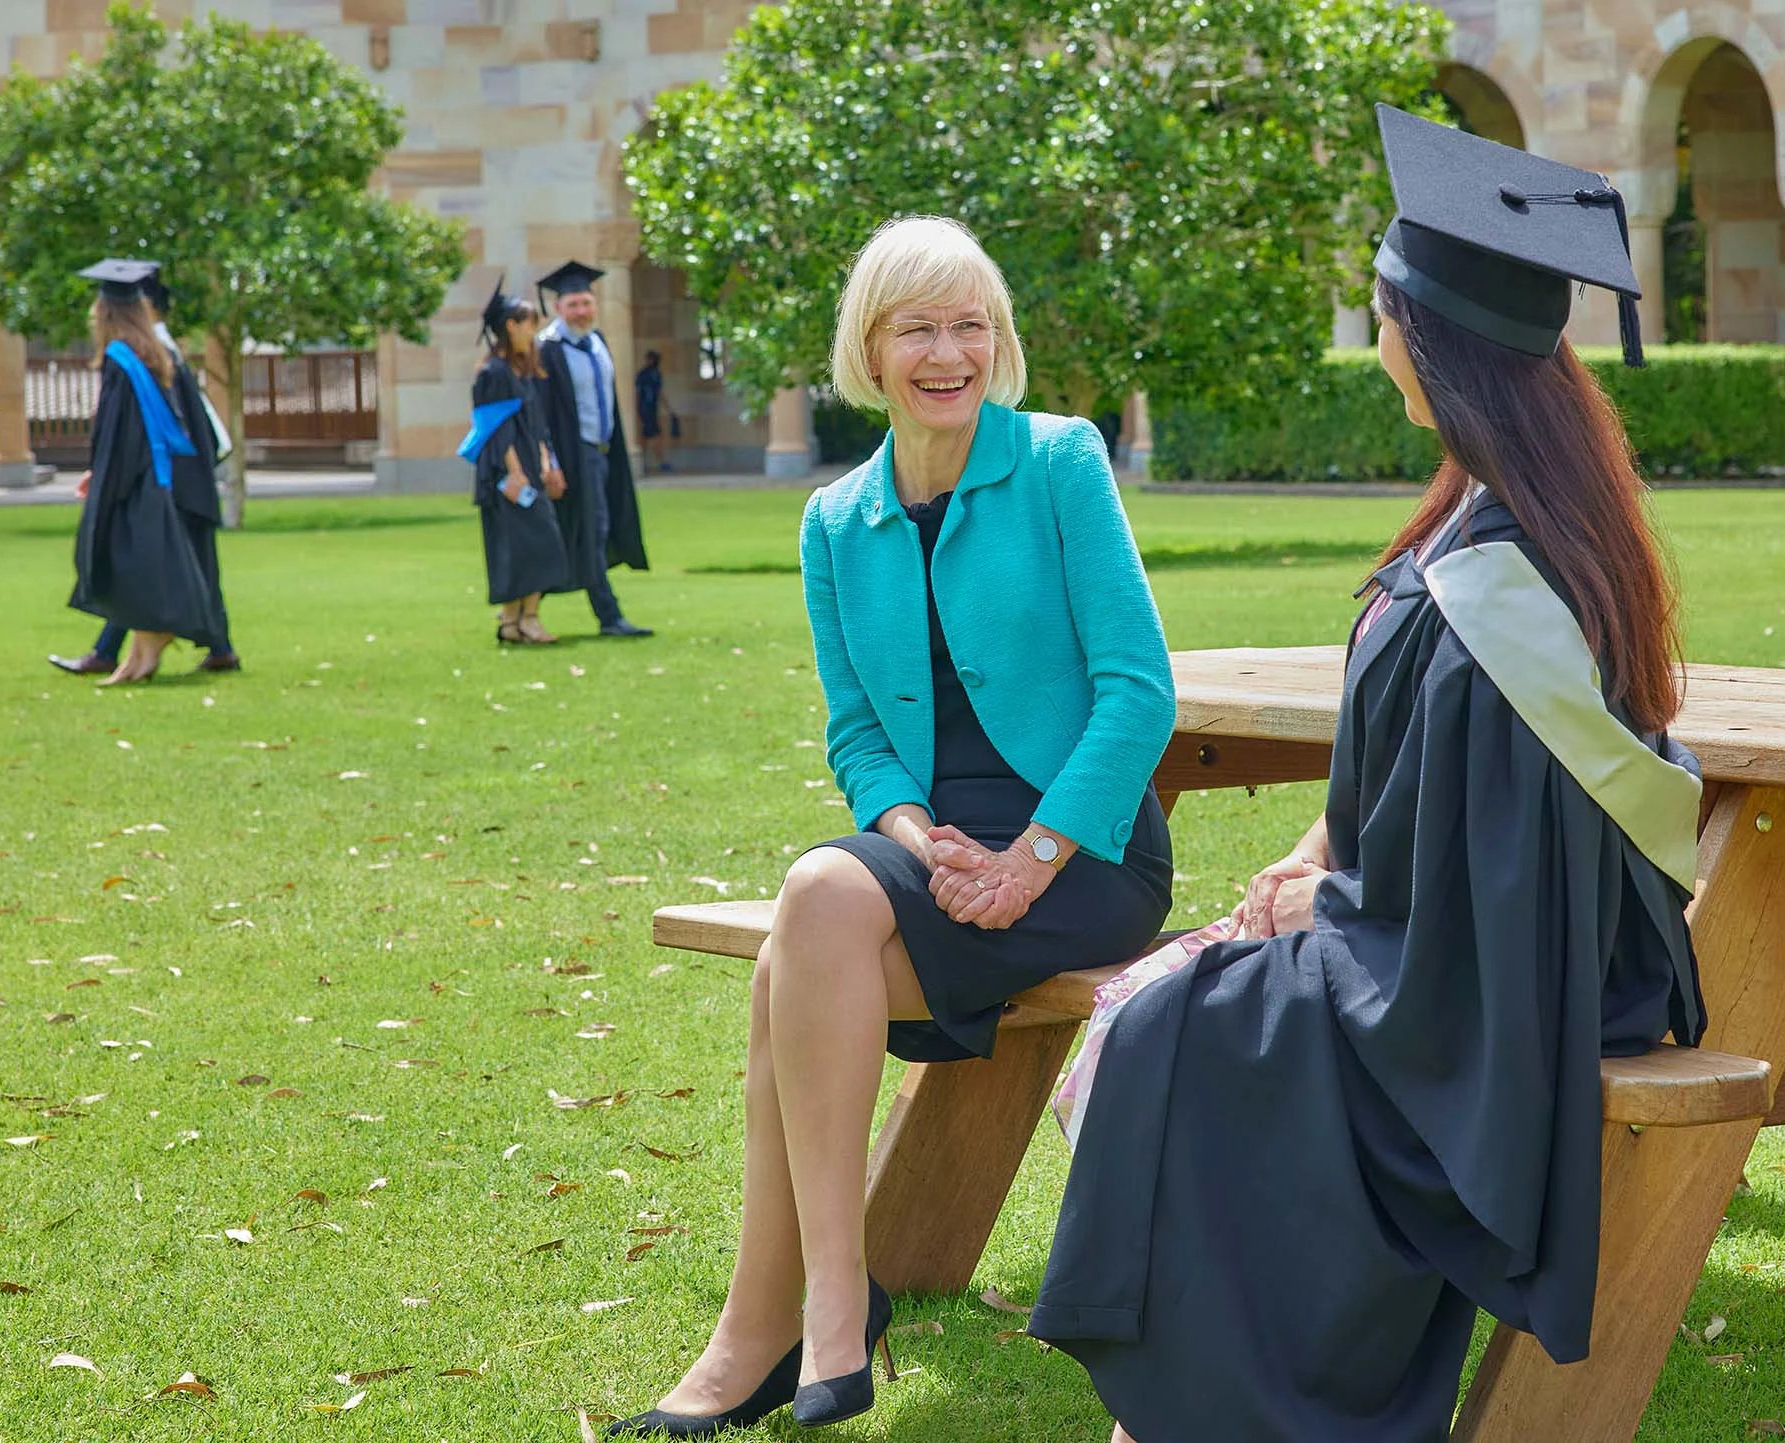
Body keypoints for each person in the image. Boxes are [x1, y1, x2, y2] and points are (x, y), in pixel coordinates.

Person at [1027, 106, 1707, 1443]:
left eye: (1381, 308)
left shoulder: (1497, 574)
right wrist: (1323, 856)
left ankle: (1227, 1407)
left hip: (1503, 977)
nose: (1377, 333)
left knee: (1182, 1028)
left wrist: (1331, 910)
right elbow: (1426, 799)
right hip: (1483, 937)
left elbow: (1485, 859)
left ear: (1424, 341)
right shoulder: (1513, 511)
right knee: (1173, 1005)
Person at [609, 216, 1176, 1436]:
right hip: (929, 854)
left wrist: (1029, 861)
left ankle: (796, 1318)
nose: (949, 352)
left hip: (1085, 854)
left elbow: (1140, 691)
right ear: (870, 348)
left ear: (999, 340)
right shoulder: (834, 520)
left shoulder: (1061, 461)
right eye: (918, 327)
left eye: (971, 324)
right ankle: (799, 1318)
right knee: (813, 920)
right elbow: (860, 738)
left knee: (801, 928)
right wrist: (926, 847)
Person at [50, 259, 240, 677]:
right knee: (179, 564)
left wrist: (105, 477)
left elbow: (120, 432)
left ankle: (126, 653)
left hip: (154, 481)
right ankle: (208, 649)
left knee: (136, 562)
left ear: (107, 314)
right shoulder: (159, 356)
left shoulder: (126, 361)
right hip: (181, 476)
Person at [534, 261, 653, 637]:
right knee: (587, 529)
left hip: (604, 452)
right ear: (558, 309)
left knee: (594, 529)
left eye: (586, 303)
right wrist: (549, 461)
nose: (581, 311)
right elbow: (540, 413)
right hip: (573, 455)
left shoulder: (598, 343)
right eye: (573, 305)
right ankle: (608, 615)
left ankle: (524, 610)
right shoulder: (548, 351)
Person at [465, 279, 572, 644]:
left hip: (526, 469)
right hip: (506, 474)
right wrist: (515, 472)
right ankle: (527, 619)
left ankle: (513, 623)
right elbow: (495, 429)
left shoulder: (517, 371)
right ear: (511, 326)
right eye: (529, 324)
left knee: (528, 545)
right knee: (529, 542)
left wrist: (546, 462)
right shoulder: (493, 374)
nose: (534, 333)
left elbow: (535, 425)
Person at [634, 349, 672, 473]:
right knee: (655, 436)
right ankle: (660, 462)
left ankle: (645, 462)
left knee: (646, 436)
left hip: (649, 410)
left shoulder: (650, 374)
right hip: (647, 410)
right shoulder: (647, 375)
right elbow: (640, 394)